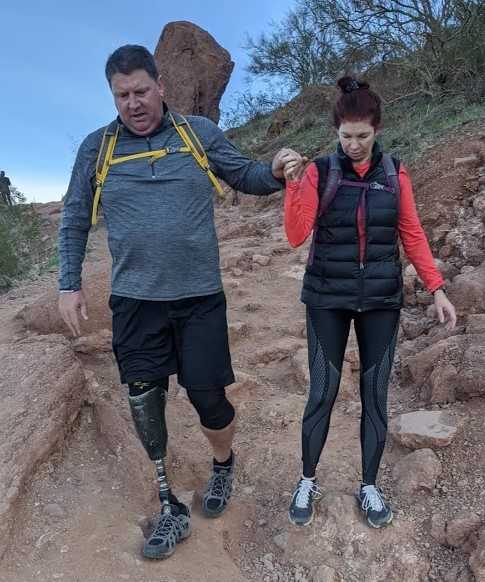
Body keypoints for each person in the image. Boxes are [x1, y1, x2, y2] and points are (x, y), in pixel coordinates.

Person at [58, 44, 299, 559]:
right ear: (112, 97)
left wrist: (276, 171)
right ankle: (170, 506)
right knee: (144, 404)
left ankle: (222, 462)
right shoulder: (97, 148)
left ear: (161, 86)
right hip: (134, 303)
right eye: (121, 95)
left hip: (198, 299)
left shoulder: (196, 134)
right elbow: (75, 218)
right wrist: (68, 284)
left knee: (209, 400)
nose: (133, 103)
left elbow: (244, 175)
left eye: (141, 91)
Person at [282, 77, 457, 529]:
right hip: (326, 298)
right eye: (346, 136)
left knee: (374, 396)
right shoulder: (321, 171)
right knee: (321, 392)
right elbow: (296, 234)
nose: (355, 144)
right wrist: (293, 186)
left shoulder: (395, 173)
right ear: (336, 131)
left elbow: (412, 233)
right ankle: (306, 479)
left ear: (377, 129)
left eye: (363, 136)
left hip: (381, 298)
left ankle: (369, 485)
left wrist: (436, 287)